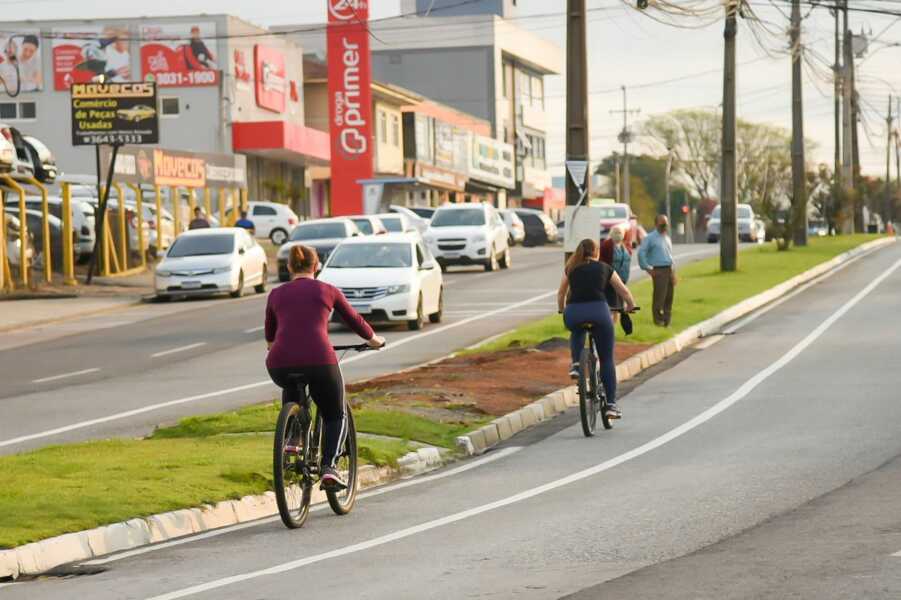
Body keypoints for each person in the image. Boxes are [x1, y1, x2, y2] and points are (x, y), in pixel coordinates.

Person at [265, 245, 385, 490]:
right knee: (335, 412)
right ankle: (329, 466)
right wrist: (375, 341)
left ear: (289, 267)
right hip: (320, 360)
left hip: (279, 364)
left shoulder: (275, 295)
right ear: (316, 266)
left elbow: (270, 338)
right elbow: (356, 322)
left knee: (292, 383)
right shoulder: (327, 290)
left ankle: (293, 436)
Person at [557, 238, 636, 420]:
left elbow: (561, 293)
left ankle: (576, 364)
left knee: (577, 330)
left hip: (574, 312)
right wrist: (631, 305)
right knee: (607, 358)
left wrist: (562, 309)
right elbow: (623, 291)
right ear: (596, 252)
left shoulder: (571, 268)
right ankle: (610, 405)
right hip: (599, 313)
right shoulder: (605, 268)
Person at [638, 215, 676, 327]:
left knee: (669, 297)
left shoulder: (667, 238)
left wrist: (673, 273)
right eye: (662, 223)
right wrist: (647, 268)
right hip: (659, 270)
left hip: (669, 269)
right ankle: (658, 320)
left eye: (666, 223)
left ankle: (667, 320)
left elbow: (670, 256)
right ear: (656, 224)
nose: (665, 225)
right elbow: (641, 253)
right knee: (659, 297)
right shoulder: (650, 238)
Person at [599, 224, 632, 320]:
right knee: (613, 303)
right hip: (611, 279)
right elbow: (602, 261)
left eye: (620, 232)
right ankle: (610, 324)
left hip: (622, 278)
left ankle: (615, 323)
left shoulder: (624, 245)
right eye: (616, 232)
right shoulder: (606, 245)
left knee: (620, 302)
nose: (618, 234)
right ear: (611, 234)